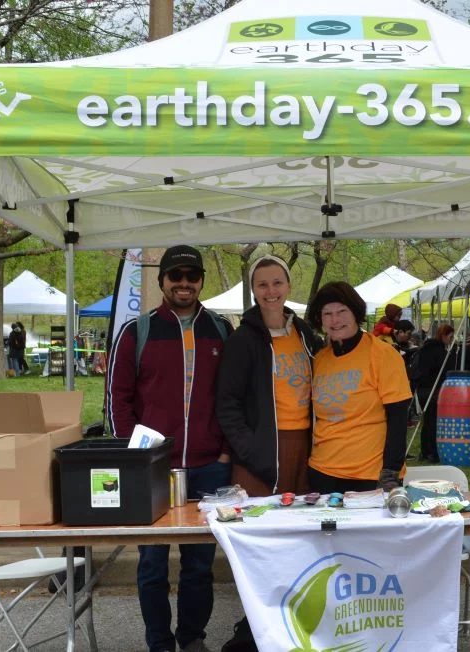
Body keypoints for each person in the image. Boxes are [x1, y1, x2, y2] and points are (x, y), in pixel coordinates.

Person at [105, 244, 233, 652]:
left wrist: (226, 451)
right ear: (162, 281)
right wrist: (133, 454)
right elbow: (117, 397)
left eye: (191, 276)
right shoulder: (137, 331)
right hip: (153, 468)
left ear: (200, 282)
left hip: (210, 466)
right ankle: (159, 643)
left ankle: (192, 638)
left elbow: (234, 396)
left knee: (199, 566)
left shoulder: (221, 329)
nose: (183, 283)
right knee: (152, 565)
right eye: (175, 276)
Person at [215, 255, 319, 652]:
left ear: (288, 286)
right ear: (254, 291)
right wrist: (248, 449)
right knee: (258, 543)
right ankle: (253, 628)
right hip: (261, 452)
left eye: (277, 283)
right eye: (263, 285)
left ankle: (293, 625)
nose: (271, 291)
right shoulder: (243, 340)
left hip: (304, 448)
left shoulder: (305, 333)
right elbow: (227, 403)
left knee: (300, 539)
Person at [306, 281, 411, 493]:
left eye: (342, 311)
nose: (335, 320)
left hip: (370, 476)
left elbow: (398, 418)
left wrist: (390, 471)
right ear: (320, 319)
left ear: (355, 312)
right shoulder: (319, 360)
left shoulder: (383, 355)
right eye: (327, 313)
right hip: (322, 473)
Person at [410, 323, 457, 464]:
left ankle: (425, 451)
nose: (451, 339)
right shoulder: (440, 352)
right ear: (443, 335)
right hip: (433, 389)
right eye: (450, 336)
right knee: (433, 422)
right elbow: (445, 370)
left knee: (427, 421)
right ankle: (432, 452)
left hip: (423, 389)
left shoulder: (425, 348)